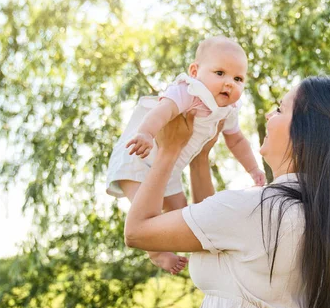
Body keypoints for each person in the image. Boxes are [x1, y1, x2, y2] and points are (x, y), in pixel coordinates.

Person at [124, 76, 330, 308]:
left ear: (305, 131)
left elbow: (138, 232)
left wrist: (169, 151)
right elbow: (214, 234)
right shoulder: (314, 213)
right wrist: (200, 162)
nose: (268, 115)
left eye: (280, 109)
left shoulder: (255, 209)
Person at [106, 36, 265, 275]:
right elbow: (163, 111)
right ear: (195, 71)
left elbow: (237, 140)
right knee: (148, 214)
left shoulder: (228, 109)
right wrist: (146, 134)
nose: (229, 83)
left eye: (238, 78)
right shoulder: (189, 91)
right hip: (137, 156)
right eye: (220, 73)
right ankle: (157, 253)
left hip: (170, 167)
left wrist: (253, 170)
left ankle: (188, 254)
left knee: (182, 213)